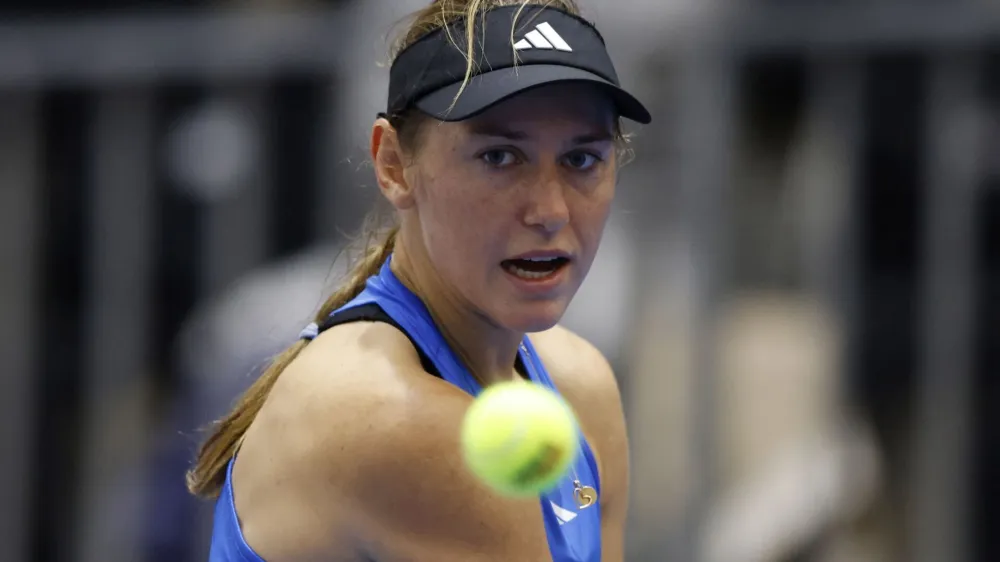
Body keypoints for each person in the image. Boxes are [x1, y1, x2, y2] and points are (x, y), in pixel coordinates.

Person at [186, 0, 651, 560]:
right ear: (393, 166)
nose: (550, 210)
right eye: (500, 157)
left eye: (582, 160)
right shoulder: (394, 421)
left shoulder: (581, 384)